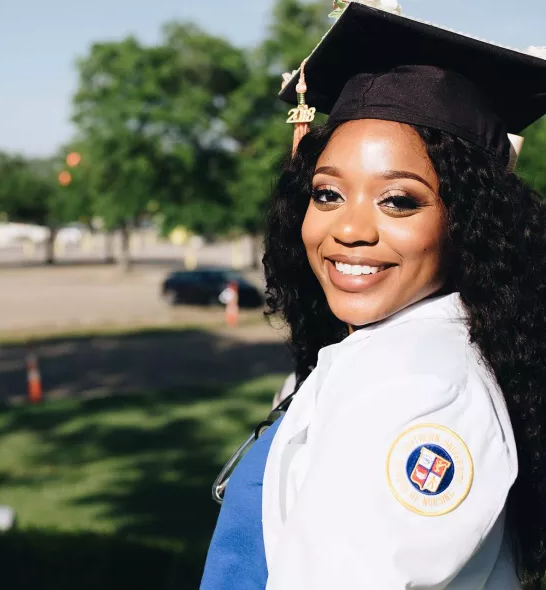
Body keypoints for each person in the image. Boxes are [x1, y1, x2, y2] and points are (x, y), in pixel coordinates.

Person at [201, 2, 546, 588]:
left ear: (470, 224)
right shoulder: (377, 351)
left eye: (399, 200)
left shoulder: (421, 387)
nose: (350, 228)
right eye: (328, 194)